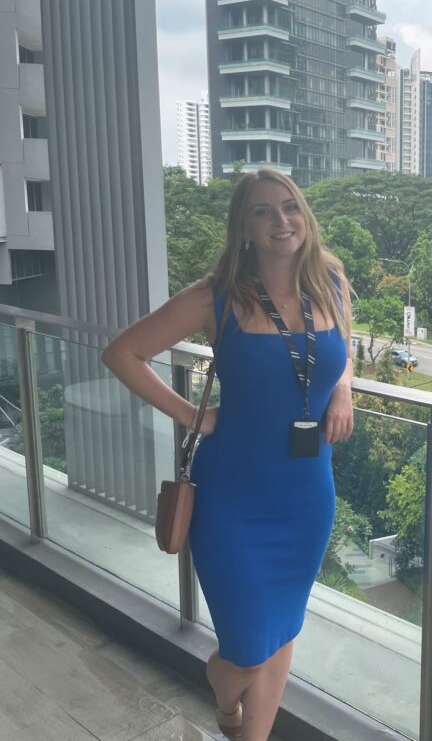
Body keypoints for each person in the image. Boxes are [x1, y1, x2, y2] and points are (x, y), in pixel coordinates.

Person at [102, 170, 354, 740]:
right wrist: (194, 414)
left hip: (307, 497)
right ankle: (222, 693)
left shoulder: (331, 280)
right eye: (263, 212)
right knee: (243, 650)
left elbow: (344, 347)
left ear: (305, 215)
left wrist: (342, 388)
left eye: (289, 207)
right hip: (233, 500)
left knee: (280, 632)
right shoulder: (215, 298)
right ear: (243, 226)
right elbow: (123, 354)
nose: (281, 221)